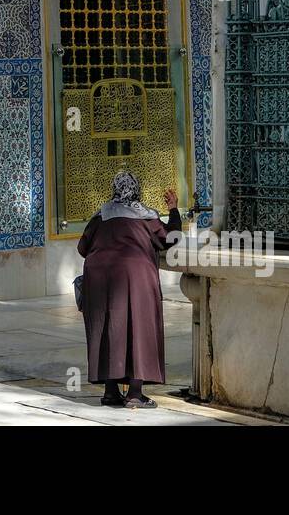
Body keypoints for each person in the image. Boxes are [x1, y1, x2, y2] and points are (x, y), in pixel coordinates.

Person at [77, 170, 181, 408]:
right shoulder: (144, 215)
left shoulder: (101, 215)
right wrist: (174, 209)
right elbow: (172, 237)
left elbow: (83, 247)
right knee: (139, 327)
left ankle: (111, 392)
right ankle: (135, 394)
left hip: (99, 278)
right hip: (135, 277)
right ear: (137, 189)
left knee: (107, 329)